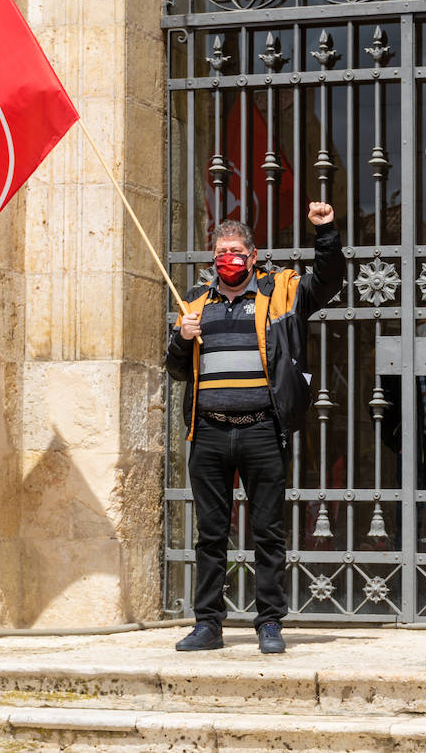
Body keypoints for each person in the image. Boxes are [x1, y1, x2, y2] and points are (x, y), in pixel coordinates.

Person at [165, 202, 343, 654]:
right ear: (213, 259)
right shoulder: (195, 304)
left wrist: (325, 233)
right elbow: (177, 370)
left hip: (263, 430)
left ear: (253, 255)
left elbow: (327, 282)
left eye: (237, 251)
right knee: (210, 532)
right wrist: (180, 338)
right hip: (209, 432)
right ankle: (208, 623)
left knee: (267, 530)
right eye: (222, 251)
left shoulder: (280, 293)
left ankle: (270, 623)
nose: (229, 258)